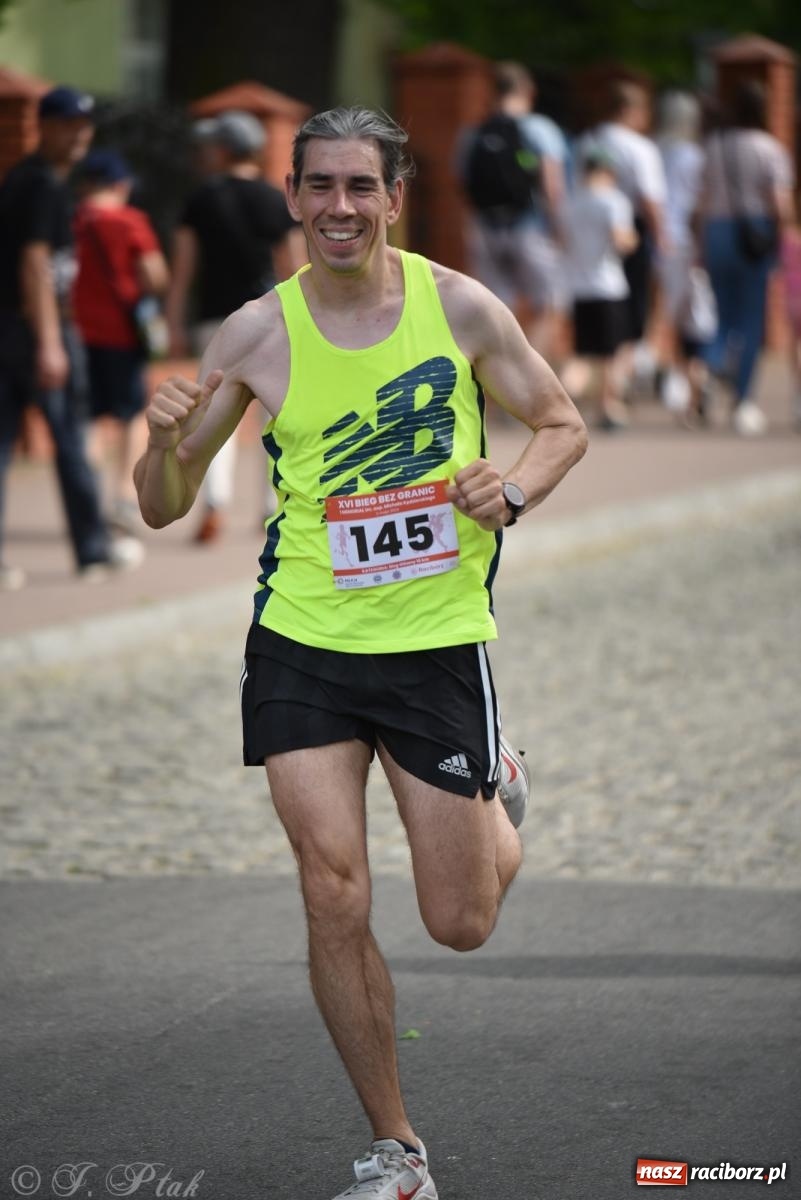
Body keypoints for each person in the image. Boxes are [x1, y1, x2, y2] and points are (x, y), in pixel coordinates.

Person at [135, 106, 587, 1199]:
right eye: (319, 186)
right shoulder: (252, 334)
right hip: (301, 638)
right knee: (333, 890)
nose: (339, 208)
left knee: (460, 920)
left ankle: (494, 790)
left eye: (360, 188)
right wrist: (159, 444)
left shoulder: (461, 308)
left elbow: (563, 422)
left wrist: (512, 486)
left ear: (394, 197)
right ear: (292, 196)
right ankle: (399, 1154)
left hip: (435, 640)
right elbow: (161, 506)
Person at [0, 85, 142, 588]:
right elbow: (36, 262)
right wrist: (51, 341)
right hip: (36, 328)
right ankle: (93, 550)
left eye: (86, 125)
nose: (80, 134)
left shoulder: (25, 179)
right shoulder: (42, 185)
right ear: (46, 125)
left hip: (15, 329)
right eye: (70, 124)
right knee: (70, 438)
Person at [165, 110, 306, 542]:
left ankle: (214, 503)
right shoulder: (275, 199)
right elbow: (295, 267)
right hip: (274, 320)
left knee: (213, 415)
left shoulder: (200, 199)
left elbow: (185, 267)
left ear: (223, 150)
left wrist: (173, 320)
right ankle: (272, 507)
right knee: (276, 416)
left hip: (218, 321)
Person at [73, 149, 169, 536]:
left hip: (78, 334)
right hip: (122, 336)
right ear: (120, 184)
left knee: (89, 418)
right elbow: (155, 274)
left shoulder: (72, 221)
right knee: (131, 416)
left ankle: (86, 500)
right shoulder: (131, 222)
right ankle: (123, 501)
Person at [700, 81, 795, 435]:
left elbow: (703, 199)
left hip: (716, 232)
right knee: (751, 319)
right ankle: (742, 401)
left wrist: (701, 245)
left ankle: (711, 367)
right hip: (753, 233)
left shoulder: (713, 145)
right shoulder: (769, 148)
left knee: (721, 316)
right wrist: (784, 244)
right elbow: (779, 202)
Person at [460, 61, 569, 362]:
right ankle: (524, 371)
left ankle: (495, 398)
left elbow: (462, 183)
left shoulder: (473, 133)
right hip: (530, 228)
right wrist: (560, 230)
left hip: (485, 229)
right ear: (528, 91)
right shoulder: (540, 130)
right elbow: (552, 187)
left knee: (495, 311)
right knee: (549, 305)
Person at [581, 81, 668, 396]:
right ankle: (617, 382)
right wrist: (661, 237)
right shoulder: (640, 147)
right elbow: (649, 198)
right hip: (628, 229)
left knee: (598, 306)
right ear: (631, 110)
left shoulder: (588, 140)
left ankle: (607, 383)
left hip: (587, 226)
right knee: (631, 310)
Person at [564, 145, 638, 430]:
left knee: (582, 353)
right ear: (608, 171)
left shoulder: (573, 202)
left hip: (580, 286)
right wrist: (634, 241)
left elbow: (563, 240)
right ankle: (607, 407)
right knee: (610, 354)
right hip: (608, 284)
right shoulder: (613, 201)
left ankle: (560, 397)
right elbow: (622, 239)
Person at [655, 91, 715, 425]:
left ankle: (678, 380)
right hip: (690, 242)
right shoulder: (695, 155)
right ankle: (694, 381)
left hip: (662, 244)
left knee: (670, 312)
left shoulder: (656, 151)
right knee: (698, 315)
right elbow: (700, 204)